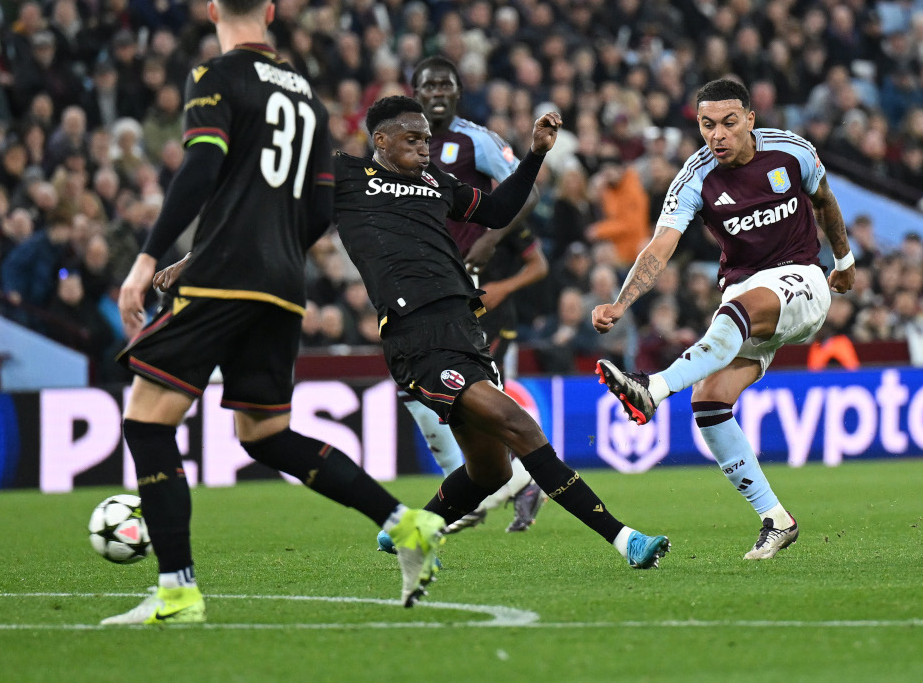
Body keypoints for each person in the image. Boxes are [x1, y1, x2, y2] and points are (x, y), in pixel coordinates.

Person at [104, 0, 444, 626]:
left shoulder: (215, 76)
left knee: (146, 421)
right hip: (283, 284)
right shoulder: (307, 98)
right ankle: (405, 523)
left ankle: (177, 590)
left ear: (212, 12)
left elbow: (201, 164)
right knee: (263, 432)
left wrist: (148, 259)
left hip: (227, 275)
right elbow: (319, 208)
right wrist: (270, 252)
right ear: (270, 12)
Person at [336, 95, 670, 576]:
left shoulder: (435, 182)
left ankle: (414, 531)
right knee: (522, 427)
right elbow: (275, 195)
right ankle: (624, 539)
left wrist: (534, 155)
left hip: (464, 329)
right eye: (412, 140)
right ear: (381, 140)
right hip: (417, 335)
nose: (425, 147)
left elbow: (497, 211)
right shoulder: (346, 177)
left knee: (491, 470)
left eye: (427, 139)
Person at [593, 79, 856, 560]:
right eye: (707, 125)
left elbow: (824, 199)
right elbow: (660, 246)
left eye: (729, 123)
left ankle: (653, 389)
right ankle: (776, 519)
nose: (718, 135)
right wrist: (621, 303)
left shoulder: (791, 151)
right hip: (745, 294)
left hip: (801, 278)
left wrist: (844, 260)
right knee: (709, 401)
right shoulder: (695, 178)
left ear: (750, 120)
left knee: (737, 311)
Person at [383, 55, 548, 538]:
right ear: (414, 92)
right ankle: (478, 486)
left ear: (458, 91)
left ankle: (509, 483)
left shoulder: (475, 140)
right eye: (428, 85)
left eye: (445, 84)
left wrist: (492, 239)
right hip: (419, 287)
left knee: (478, 396)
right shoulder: (398, 145)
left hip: (468, 289)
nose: (437, 92)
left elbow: (527, 191)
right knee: (415, 390)